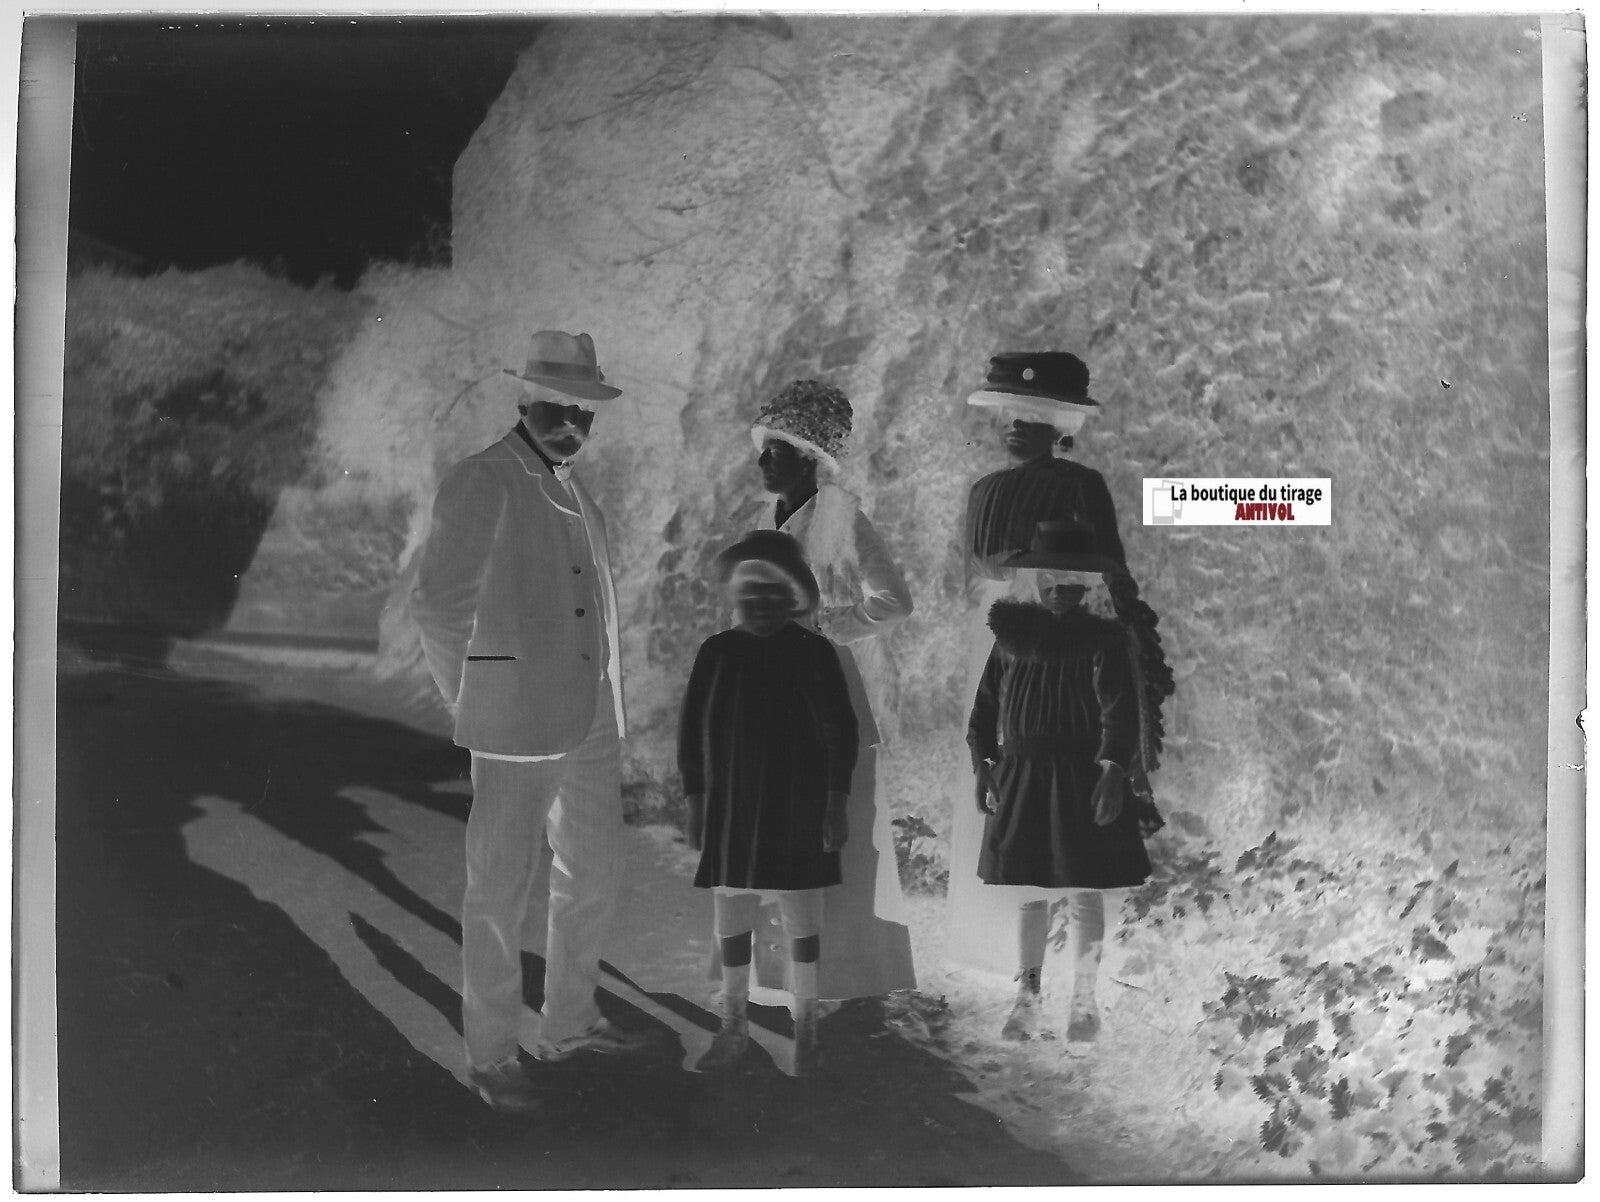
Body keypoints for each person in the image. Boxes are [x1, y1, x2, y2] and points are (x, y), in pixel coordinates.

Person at [411, 329, 651, 1112]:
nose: (573, 421)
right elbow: (438, 608)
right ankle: (492, 1054)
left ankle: (571, 1020)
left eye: (586, 409)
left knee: (595, 871)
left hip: (587, 719)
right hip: (513, 722)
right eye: (559, 404)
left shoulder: (579, 491)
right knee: (499, 892)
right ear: (525, 400)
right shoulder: (484, 479)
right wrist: (476, 701)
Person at [729, 379, 918, 1004]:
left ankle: (843, 978)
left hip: (823, 691)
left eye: (775, 451)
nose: (762, 463)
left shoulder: (842, 516)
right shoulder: (766, 518)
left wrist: (830, 627)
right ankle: (785, 977)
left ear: (811, 458)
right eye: (762, 450)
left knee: (835, 827)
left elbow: (893, 600)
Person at [947, 350, 1134, 975]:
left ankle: (1076, 977)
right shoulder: (984, 491)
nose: (1015, 428)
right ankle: (998, 954)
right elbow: (974, 569)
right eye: (1008, 416)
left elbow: (1106, 561)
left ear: (1061, 426)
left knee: (1072, 808)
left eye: (1032, 417)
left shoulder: (1080, 486)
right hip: (1003, 629)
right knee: (1007, 780)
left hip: (1070, 630)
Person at [966, 521, 1158, 1041]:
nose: (1058, 589)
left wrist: (1114, 770)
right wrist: (983, 763)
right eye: (1049, 577)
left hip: (1079, 775)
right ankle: (1027, 995)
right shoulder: (1011, 638)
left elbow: (1120, 711)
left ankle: (1084, 999)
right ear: (1036, 579)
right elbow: (984, 711)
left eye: (1070, 579)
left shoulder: (1101, 639)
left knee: (1081, 888)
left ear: (1086, 584)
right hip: (1022, 775)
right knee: (1030, 890)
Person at [678, 530, 858, 1076]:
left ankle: (807, 1034)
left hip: (797, 805)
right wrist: (695, 801)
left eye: (770, 594)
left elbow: (840, 732)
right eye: (747, 595)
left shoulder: (814, 652)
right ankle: (732, 1028)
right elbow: (693, 733)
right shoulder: (718, 652)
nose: (758, 605)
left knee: (802, 922)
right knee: (731, 918)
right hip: (733, 806)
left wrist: (834, 802)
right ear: (734, 598)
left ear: (792, 597)